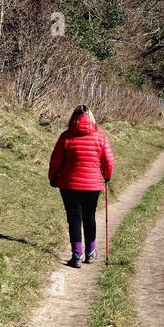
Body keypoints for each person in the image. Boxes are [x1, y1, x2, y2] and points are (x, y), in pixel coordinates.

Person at [47, 105, 115, 267]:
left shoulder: (66, 136)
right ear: (91, 118)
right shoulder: (100, 137)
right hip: (93, 185)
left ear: (73, 118)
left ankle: (77, 255)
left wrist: (53, 178)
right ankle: (91, 252)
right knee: (89, 216)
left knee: (74, 218)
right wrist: (107, 176)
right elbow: (109, 161)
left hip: (69, 184)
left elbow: (55, 160)